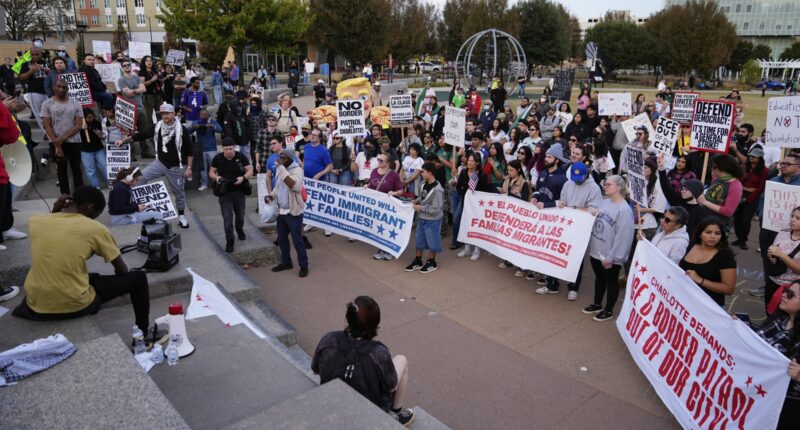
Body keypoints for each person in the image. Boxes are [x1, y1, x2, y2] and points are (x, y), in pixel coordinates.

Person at [12, 187, 155, 340]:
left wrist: (56, 207)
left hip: (35, 303)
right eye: (94, 215)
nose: (93, 219)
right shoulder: (95, 228)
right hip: (74, 304)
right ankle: (144, 334)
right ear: (89, 207)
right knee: (138, 279)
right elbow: (121, 270)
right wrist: (122, 284)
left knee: (88, 276)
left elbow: (54, 228)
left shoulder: (37, 221)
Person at [311, 296, 416, 427]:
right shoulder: (378, 352)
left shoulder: (329, 339)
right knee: (402, 359)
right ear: (375, 323)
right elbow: (391, 385)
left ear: (348, 318)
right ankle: (397, 412)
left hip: (332, 397)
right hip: (370, 409)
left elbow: (315, 368)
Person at [118, 103, 192, 229]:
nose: (164, 116)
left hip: (177, 166)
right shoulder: (157, 126)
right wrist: (124, 140)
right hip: (160, 163)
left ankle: (181, 216)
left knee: (179, 193)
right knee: (140, 178)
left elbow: (190, 150)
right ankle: (143, 208)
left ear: (173, 114)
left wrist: (189, 168)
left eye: (167, 113)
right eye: (162, 114)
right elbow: (142, 135)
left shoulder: (182, 129)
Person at [543, 162, 602, 299]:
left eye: (580, 178)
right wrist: (562, 203)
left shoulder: (594, 188)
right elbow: (562, 200)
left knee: (576, 257)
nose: (577, 181)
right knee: (556, 252)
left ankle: (573, 287)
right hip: (565, 224)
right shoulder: (568, 184)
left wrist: (574, 210)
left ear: (586, 174)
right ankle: (552, 283)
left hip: (580, 228)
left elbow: (595, 209)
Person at [748, 281, 800, 429]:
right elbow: (760, 340)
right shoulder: (781, 318)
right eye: (786, 290)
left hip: (788, 406)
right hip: (761, 394)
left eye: (791, 295)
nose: (783, 295)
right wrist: (742, 328)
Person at [584, 175, 635, 321]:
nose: (605, 187)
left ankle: (608, 310)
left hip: (610, 255)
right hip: (597, 249)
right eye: (604, 184)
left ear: (618, 187)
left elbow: (623, 237)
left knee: (611, 281)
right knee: (599, 278)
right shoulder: (604, 202)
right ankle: (597, 303)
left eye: (608, 185)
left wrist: (613, 257)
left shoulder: (624, 210)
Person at [266, 148, 308, 277]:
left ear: (290, 159)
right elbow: (278, 187)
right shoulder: (281, 169)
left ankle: (304, 265)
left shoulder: (297, 170)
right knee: (282, 240)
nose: (281, 160)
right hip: (282, 212)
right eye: (281, 157)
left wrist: (281, 168)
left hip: (293, 212)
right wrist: (271, 196)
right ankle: (286, 262)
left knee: (297, 240)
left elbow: (293, 185)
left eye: (284, 158)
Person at [679, 218, 737, 307]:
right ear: (700, 234)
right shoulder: (692, 245)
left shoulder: (725, 256)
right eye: (708, 232)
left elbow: (729, 289)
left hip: (707, 307)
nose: (713, 236)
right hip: (683, 301)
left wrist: (700, 280)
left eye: (717, 233)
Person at [209, 138, 253, 253]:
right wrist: (216, 177)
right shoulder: (218, 158)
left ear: (234, 147)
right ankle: (230, 240)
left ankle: (239, 229)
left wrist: (243, 177)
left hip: (239, 192)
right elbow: (211, 172)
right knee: (227, 219)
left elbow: (250, 170)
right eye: (226, 149)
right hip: (224, 193)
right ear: (222, 148)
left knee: (240, 217)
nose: (228, 151)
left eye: (230, 148)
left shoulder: (240, 156)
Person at [42, 78, 84, 195]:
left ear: (68, 89)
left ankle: (79, 197)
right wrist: (57, 143)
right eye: (59, 86)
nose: (61, 89)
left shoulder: (75, 104)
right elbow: (47, 125)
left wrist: (62, 138)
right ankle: (65, 197)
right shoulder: (47, 104)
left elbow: (78, 125)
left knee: (77, 170)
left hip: (74, 141)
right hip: (56, 144)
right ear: (54, 87)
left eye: (64, 87)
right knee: (61, 171)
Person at [404, 162, 444, 274]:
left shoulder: (438, 190)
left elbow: (435, 209)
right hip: (422, 218)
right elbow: (422, 197)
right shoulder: (423, 183)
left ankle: (432, 262)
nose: (421, 173)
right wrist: (416, 201)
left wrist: (420, 207)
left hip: (433, 220)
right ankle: (418, 260)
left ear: (430, 173)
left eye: (423, 172)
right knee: (419, 240)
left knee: (433, 242)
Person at [367, 153, 404, 260]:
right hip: (376, 205)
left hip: (388, 206)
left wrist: (394, 193)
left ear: (388, 163)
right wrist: (367, 186)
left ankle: (389, 250)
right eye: (378, 159)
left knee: (387, 227)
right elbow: (371, 184)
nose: (378, 161)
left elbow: (401, 190)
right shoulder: (374, 171)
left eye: (381, 160)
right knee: (378, 227)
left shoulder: (393, 175)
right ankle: (380, 249)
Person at [455, 152, 490, 260]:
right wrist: (465, 196)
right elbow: (458, 186)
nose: (469, 162)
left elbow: (485, 191)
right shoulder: (464, 172)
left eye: (472, 161)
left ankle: (477, 250)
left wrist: (475, 199)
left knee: (476, 225)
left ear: (477, 163)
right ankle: (466, 248)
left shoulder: (481, 175)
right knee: (462, 221)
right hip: (465, 201)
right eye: (469, 160)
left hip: (477, 205)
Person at [117, 59, 154, 159]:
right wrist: (137, 91)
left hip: (140, 107)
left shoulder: (136, 77)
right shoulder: (121, 80)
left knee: (143, 131)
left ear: (131, 66)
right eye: (124, 65)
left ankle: (145, 152)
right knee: (130, 132)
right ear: (122, 68)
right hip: (129, 108)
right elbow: (126, 93)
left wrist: (133, 91)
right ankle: (132, 154)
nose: (127, 66)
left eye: (128, 64)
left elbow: (144, 89)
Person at [733, 147, 768, 249]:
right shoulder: (745, 166)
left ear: (760, 158)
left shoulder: (764, 170)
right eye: (750, 156)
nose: (751, 158)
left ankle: (743, 240)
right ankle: (738, 238)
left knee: (745, 220)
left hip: (752, 197)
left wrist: (748, 198)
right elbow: (738, 180)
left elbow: (761, 187)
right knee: (737, 218)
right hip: (740, 193)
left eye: (754, 156)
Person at [697, 154, 744, 226]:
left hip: (717, 225)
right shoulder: (716, 179)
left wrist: (704, 202)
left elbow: (728, 211)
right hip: (703, 219)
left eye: (713, 167)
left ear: (722, 168)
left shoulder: (736, 185)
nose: (711, 168)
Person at [18, 47, 49, 131]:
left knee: (52, 112)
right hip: (34, 92)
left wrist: (44, 69)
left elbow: (55, 73)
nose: (35, 56)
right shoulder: (26, 64)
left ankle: (54, 130)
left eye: (37, 54)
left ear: (41, 54)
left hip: (49, 92)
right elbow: (21, 78)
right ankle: (46, 132)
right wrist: (31, 71)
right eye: (33, 55)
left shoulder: (47, 62)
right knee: (39, 113)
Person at [191, 109, 223, 192]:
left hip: (211, 148)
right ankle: (204, 184)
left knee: (214, 166)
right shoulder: (197, 122)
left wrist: (212, 126)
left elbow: (219, 129)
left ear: (208, 115)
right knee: (203, 168)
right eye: (201, 115)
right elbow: (188, 130)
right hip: (200, 148)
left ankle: (217, 182)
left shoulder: (213, 121)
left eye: (204, 115)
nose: (203, 116)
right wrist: (193, 127)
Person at [79, 109, 107, 189]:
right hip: (86, 151)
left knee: (104, 166)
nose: (91, 119)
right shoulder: (79, 124)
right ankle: (96, 187)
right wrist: (81, 129)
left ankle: (111, 182)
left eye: (92, 117)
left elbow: (103, 135)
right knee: (90, 170)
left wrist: (100, 134)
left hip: (98, 148)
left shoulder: (97, 123)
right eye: (89, 117)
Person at [140, 56, 163, 128]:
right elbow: (141, 84)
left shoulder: (155, 71)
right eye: (147, 61)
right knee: (148, 116)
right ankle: (149, 135)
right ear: (144, 62)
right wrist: (152, 80)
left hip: (158, 95)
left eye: (150, 61)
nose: (149, 62)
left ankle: (160, 130)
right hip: (148, 96)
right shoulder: (142, 72)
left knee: (160, 114)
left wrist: (161, 80)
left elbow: (160, 84)